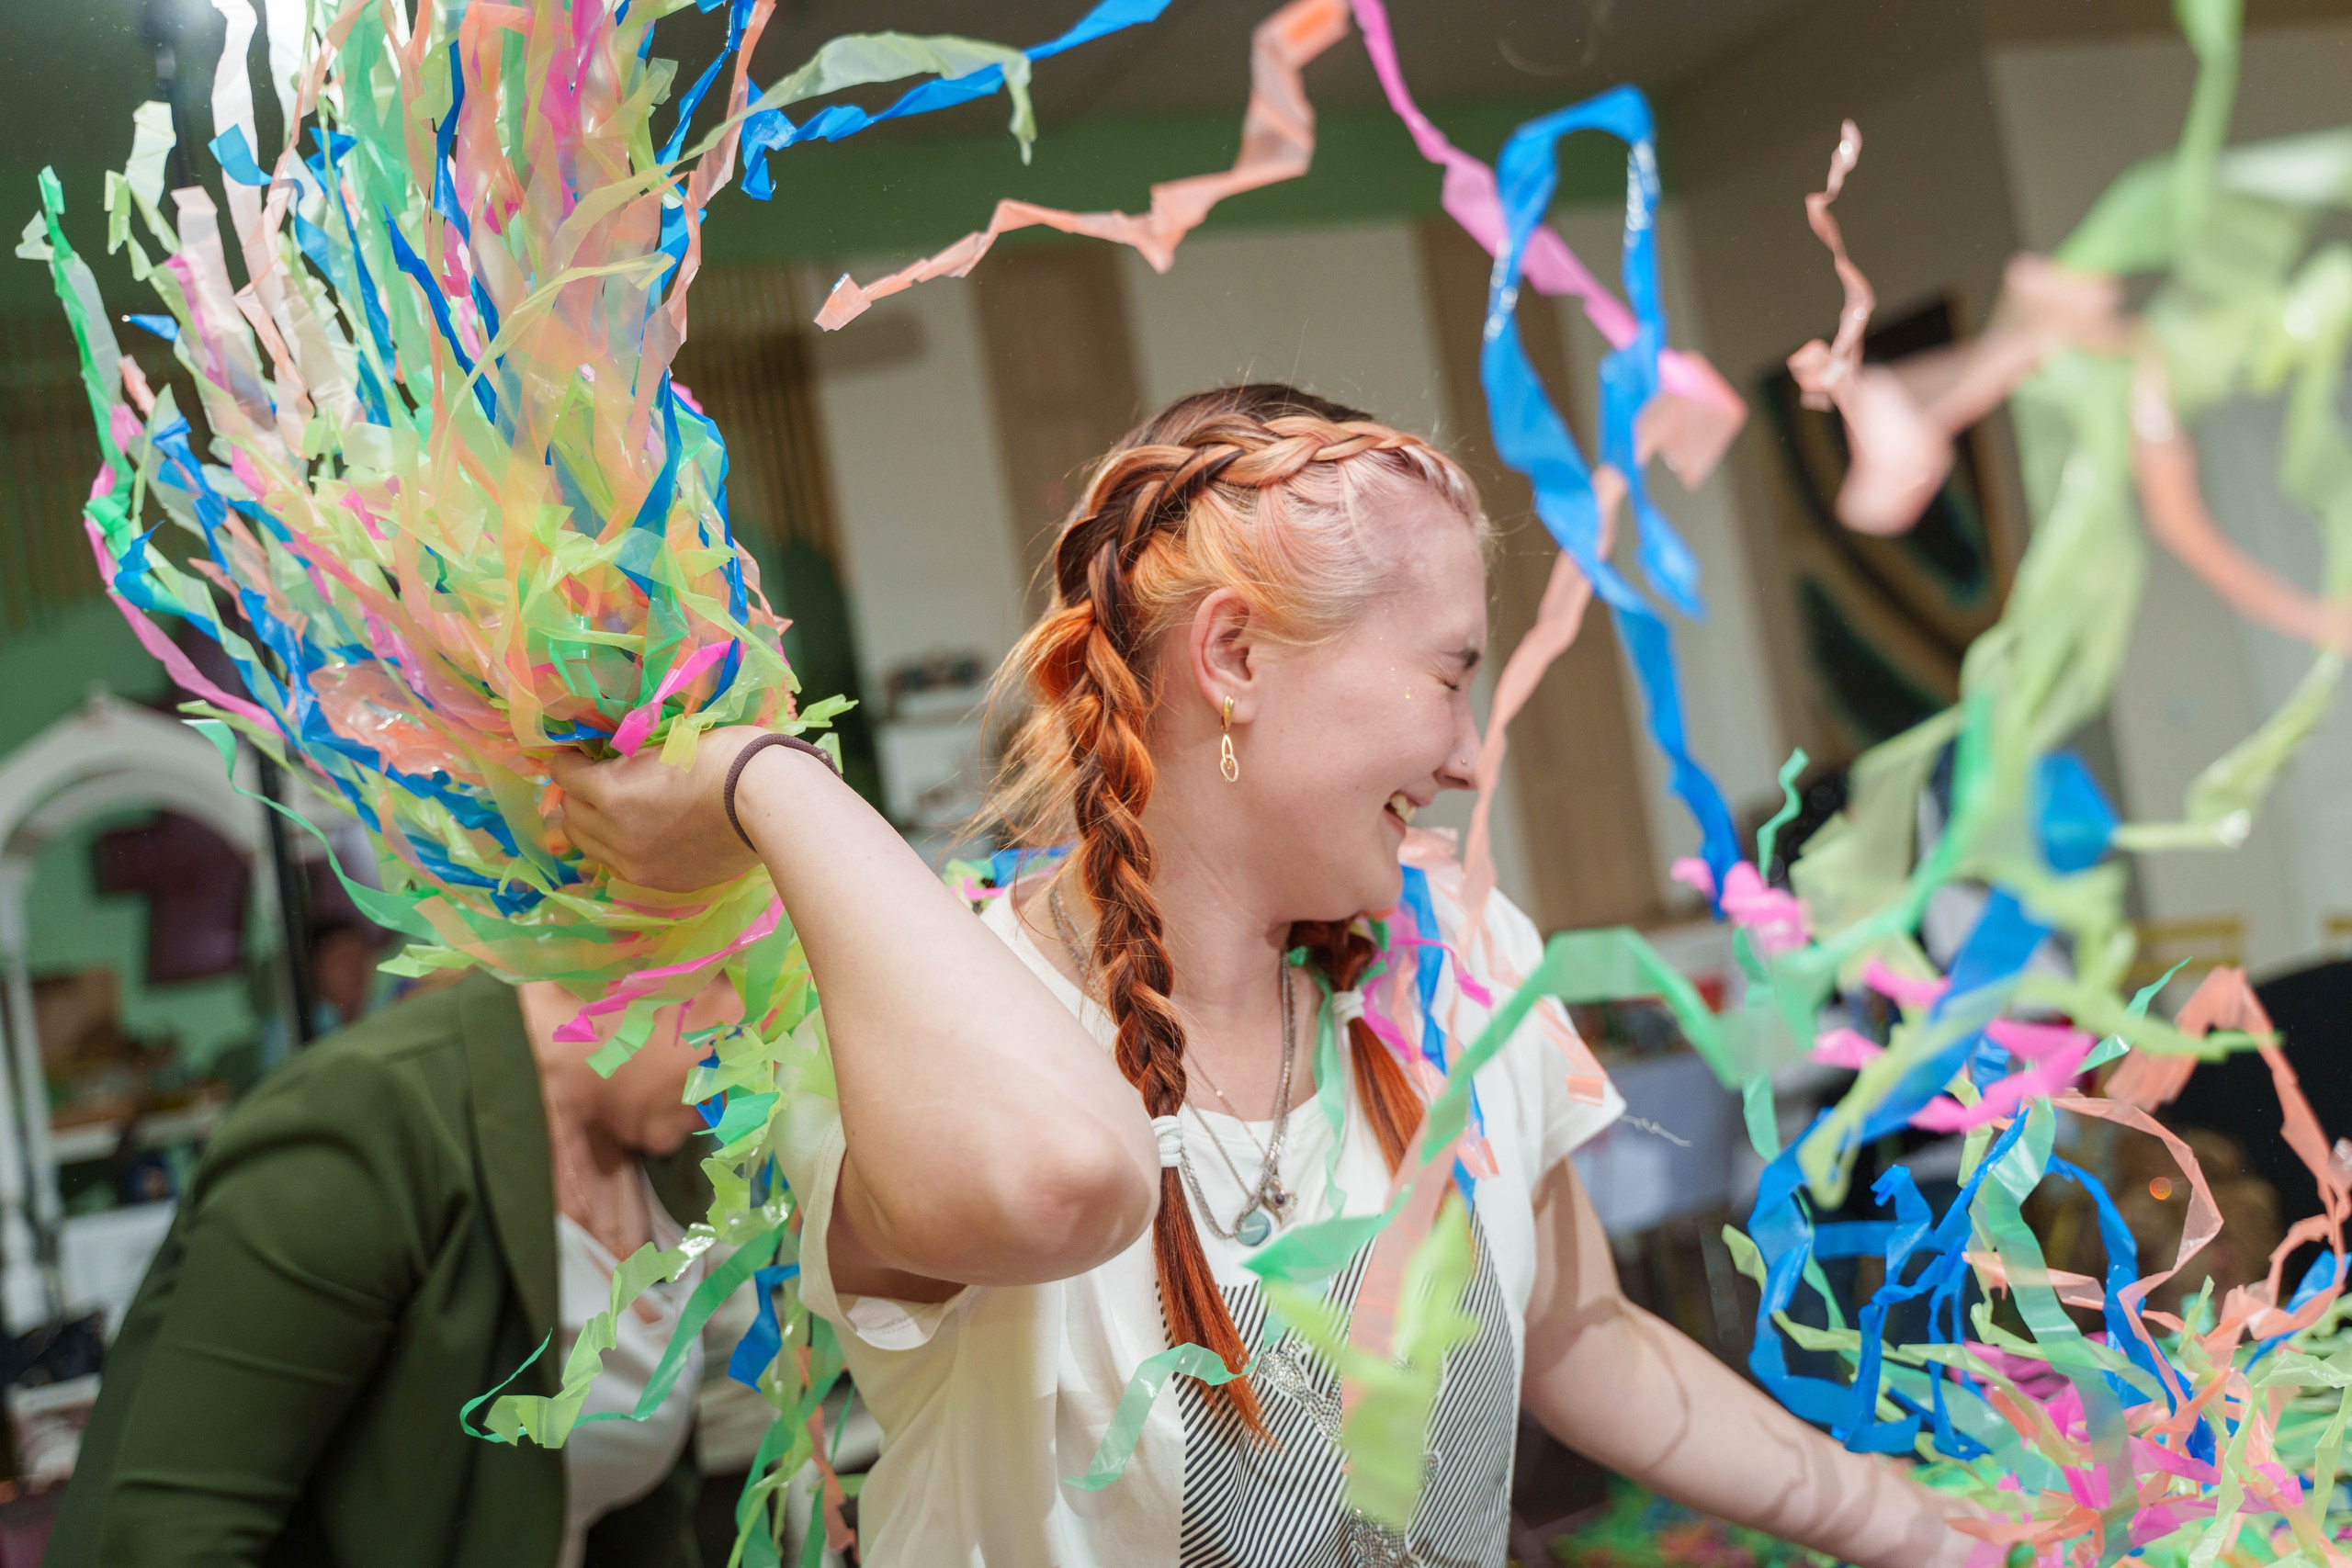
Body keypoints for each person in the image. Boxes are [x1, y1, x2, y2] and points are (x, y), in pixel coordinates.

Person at [554, 384, 1981, 1567]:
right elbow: (1064, 1176)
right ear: (1233, 653)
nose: (1473, 751)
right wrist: (773, 781)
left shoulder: (1463, 963)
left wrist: (1922, 1531)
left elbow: (1584, 1330)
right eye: (1447, 674)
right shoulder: (936, 1029)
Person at [49, 969, 741, 1568]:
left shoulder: (658, 1147)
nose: (742, 1076)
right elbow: (172, 1534)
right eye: (735, 1041)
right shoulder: (366, 1118)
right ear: (664, 967)